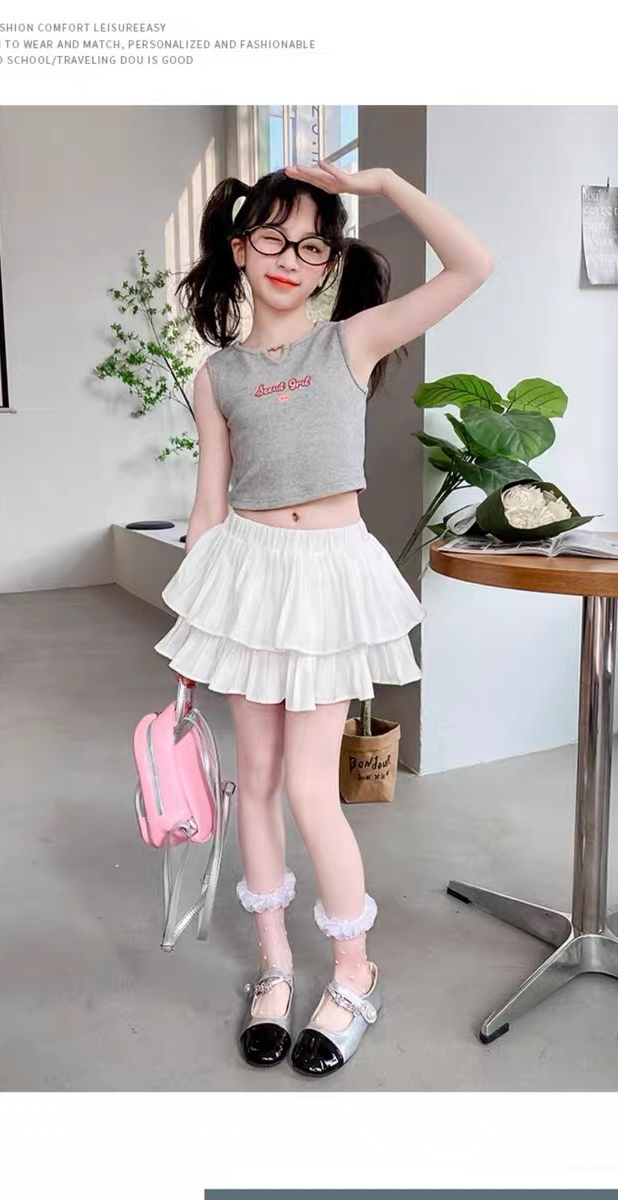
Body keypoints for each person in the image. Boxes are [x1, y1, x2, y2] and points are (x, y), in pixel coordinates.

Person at [154, 160, 494, 1076]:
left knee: (311, 788)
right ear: (240, 248)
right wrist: (192, 632)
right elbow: (207, 506)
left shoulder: (352, 341)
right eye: (273, 236)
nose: (290, 258)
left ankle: (352, 973)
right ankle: (274, 967)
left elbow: (473, 265)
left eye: (312, 246)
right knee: (256, 782)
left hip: (328, 577)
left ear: (330, 263)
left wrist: (382, 183)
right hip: (247, 575)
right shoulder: (216, 376)